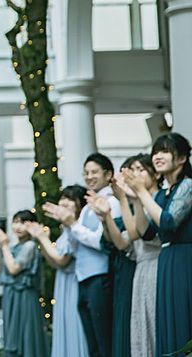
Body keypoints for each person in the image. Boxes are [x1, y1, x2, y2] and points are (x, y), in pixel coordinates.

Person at [45, 153, 120, 357]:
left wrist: (72, 223)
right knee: (92, 343)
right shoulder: (88, 206)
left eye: (94, 172)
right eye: (86, 173)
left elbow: (101, 242)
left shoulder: (111, 202)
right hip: (84, 278)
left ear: (108, 175)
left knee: (104, 341)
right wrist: (68, 224)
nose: (89, 177)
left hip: (100, 276)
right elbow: (75, 245)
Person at [127, 133, 192, 356]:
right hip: (167, 260)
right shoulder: (163, 193)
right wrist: (136, 199)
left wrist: (141, 192)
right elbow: (146, 233)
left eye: (164, 151)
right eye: (155, 152)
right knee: (167, 322)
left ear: (181, 158)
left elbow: (169, 221)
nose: (157, 156)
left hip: (184, 259)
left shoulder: (188, 185)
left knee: (182, 320)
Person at [26, 185, 89, 357]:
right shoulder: (65, 230)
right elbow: (55, 263)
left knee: (75, 328)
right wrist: (41, 241)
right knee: (64, 327)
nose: (64, 202)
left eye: (70, 199)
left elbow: (62, 259)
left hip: (75, 283)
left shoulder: (77, 228)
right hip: (63, 284)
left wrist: (42, 238)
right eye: (63, 198)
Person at [87, 157, 139, 357]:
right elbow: (112, 241)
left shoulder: (123, 202)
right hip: (121, 267)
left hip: (134, 267)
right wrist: (105, 218)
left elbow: (126, 241)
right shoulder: (115, 202)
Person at [113, 154, 161, 357]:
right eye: (133, 170)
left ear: (156, 174)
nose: (136, 175)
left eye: (141, 170)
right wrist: (120, 203)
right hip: (141, 269)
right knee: (142, 326)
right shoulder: (138, 202)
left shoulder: (158, 199)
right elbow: (125, 241)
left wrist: (130, 198)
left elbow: (137, 233)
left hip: (157, 265)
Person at [0, 210, 48, 357]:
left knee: (26, 337)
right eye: (15, 222)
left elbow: (14, 269)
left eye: (23, 222)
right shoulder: (14, 247)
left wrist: (4, 245)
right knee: (12, 335)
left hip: (25, 297)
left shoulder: (30, 246)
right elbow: (0, 272)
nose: (18, 226)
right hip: (11, 296)